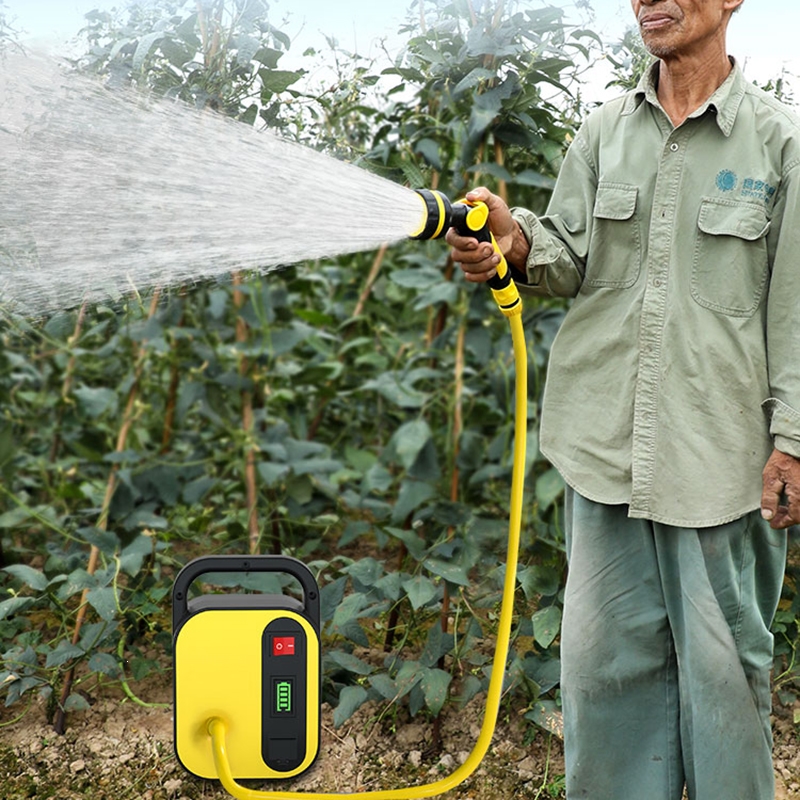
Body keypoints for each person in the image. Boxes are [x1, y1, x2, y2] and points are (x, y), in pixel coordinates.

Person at [446, 1, 800, 798]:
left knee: (726, 682)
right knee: (603, 679)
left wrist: (795, 440)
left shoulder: (780, 144)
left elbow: (798, 308)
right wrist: (512, 239)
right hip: (604, 453)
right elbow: (565, 255)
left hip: (720, 461)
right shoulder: (604, 131)